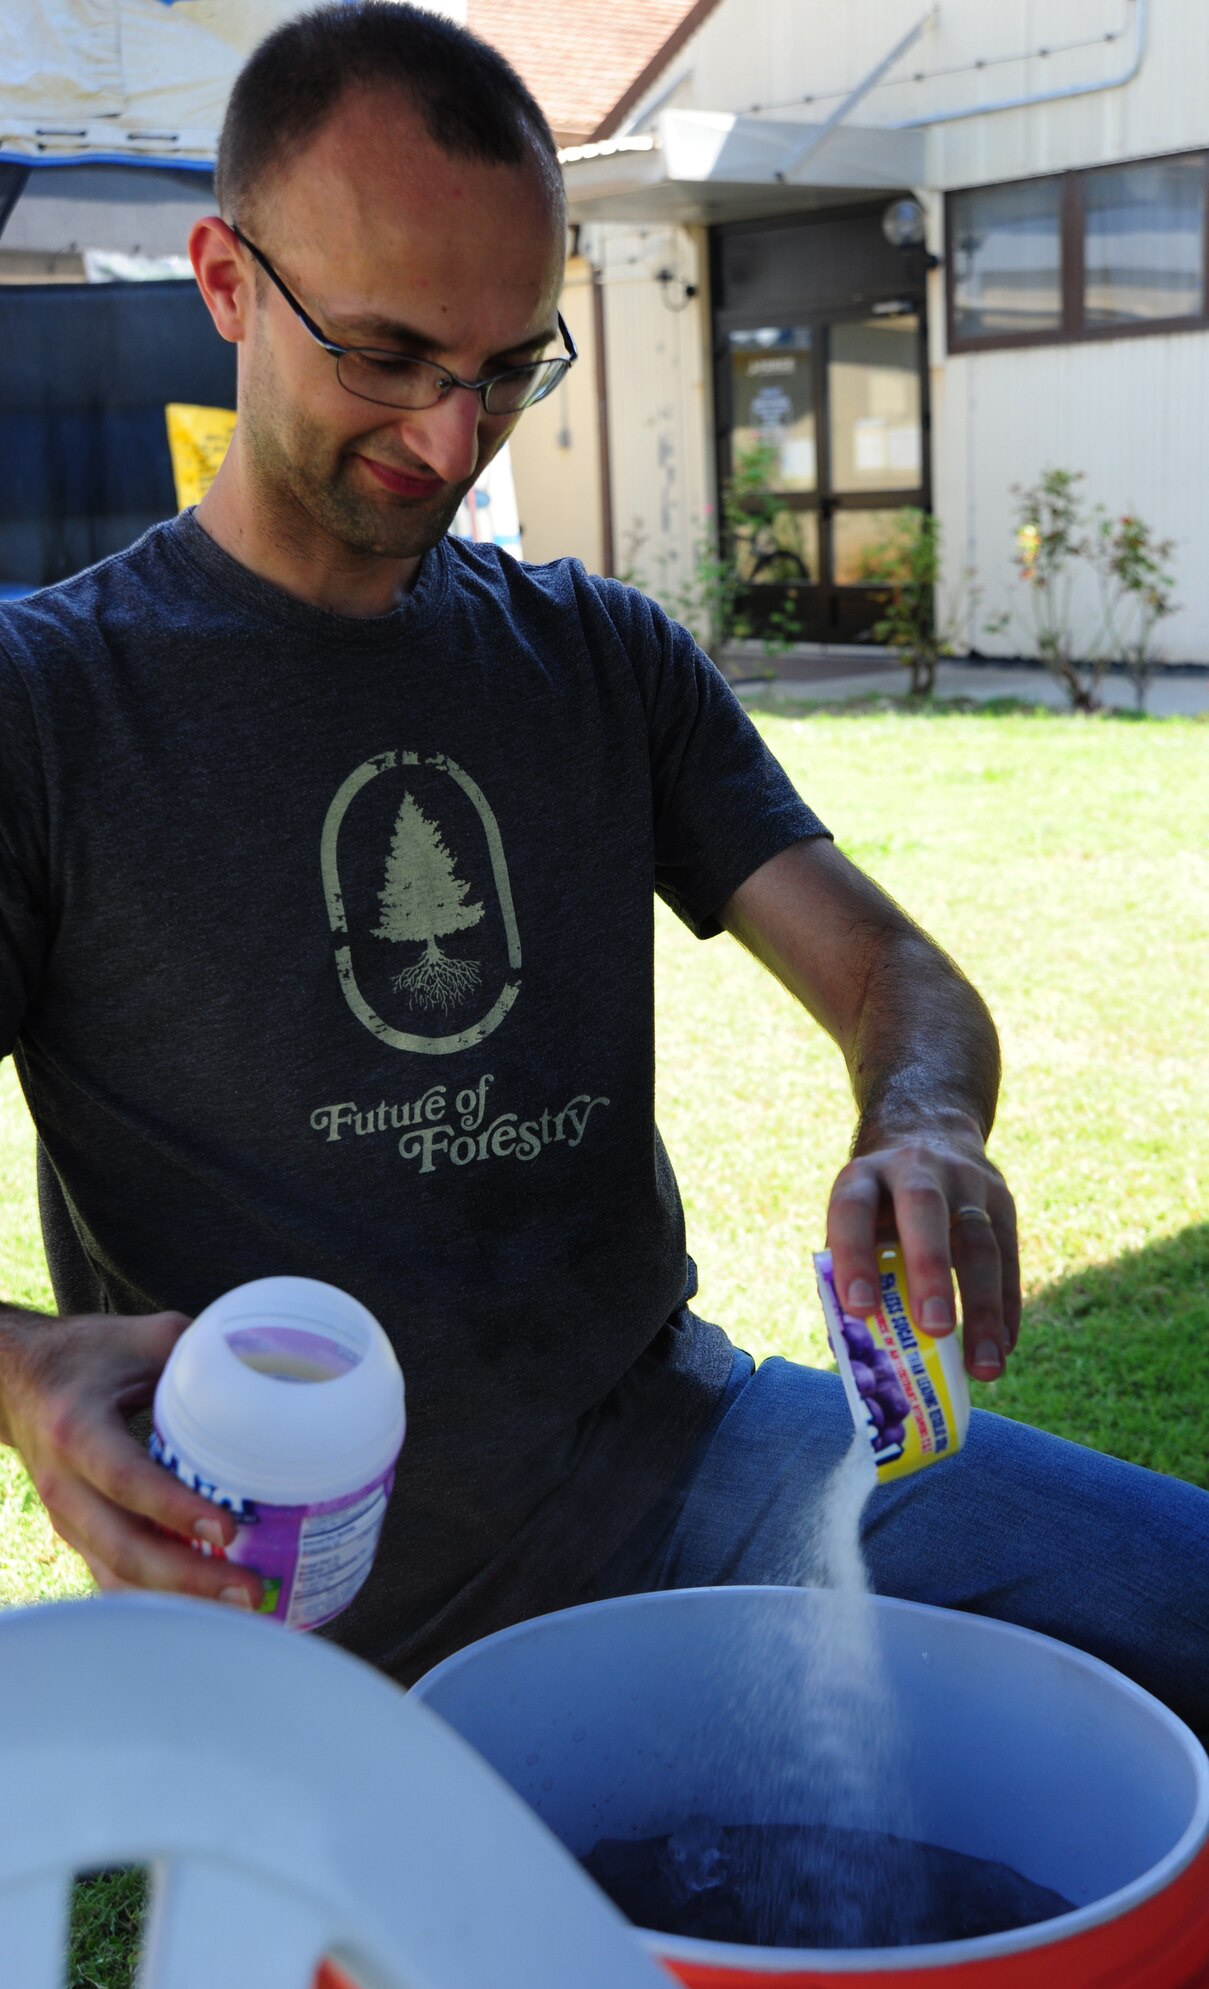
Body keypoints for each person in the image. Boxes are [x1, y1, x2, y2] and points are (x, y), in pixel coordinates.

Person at [0, 3, 1204, 1730]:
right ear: (223, 280)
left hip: (706, 1453)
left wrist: (923, 1121)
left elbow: (891, 978)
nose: (449, 436)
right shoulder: (49, 705)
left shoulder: (596, 656)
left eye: (507, 367)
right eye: (389, 355)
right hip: (306, 1607)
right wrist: (26, 1371)